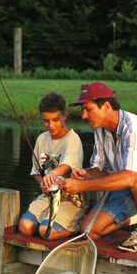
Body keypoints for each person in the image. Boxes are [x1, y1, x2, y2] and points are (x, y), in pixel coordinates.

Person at [59, 82, 137, 252]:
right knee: (90, 230)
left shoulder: (134, 129)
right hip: (132, 185)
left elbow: (132, 177)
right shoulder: (100, 130)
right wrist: (85, 175)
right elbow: (101, 170)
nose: (83, 116)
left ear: (106, 106)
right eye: (82, 110)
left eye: (88, 109)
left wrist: (81, 186)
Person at [19, 92, 87, 240]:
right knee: (25, 227)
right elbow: (37, 172)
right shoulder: (42, 139)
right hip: (48, 196)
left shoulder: (72, 139)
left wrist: (52, 174)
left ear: (65, 115)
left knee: (46, 232)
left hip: (70, 200)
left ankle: (76, 223)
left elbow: (67, 166)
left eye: (56, 120)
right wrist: (43, 182)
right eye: (46, 121)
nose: (51, 125)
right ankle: (47, 219)